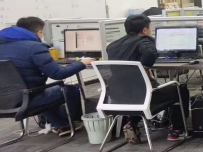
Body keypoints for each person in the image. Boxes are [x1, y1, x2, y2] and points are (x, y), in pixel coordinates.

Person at [0, 16, 91, 136]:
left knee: (42, 90)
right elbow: (58, 74)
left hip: (3, 102)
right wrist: (81, 63)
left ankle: (61, 124)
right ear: (39, 32)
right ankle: (69, 123)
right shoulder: (34, 47)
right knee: (70, 90)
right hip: (27, 100)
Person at [106, 15, 188, 143]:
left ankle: (132, 122)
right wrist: (144, 68)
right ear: (144, 30)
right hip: (143, 96)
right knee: (180, 88)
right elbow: (150, 53)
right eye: (150, 28)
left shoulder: (112, 45)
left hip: (118, 96)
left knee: (139, 91)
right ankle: (177, 130)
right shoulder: (144, 40)